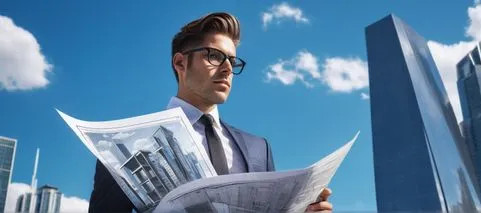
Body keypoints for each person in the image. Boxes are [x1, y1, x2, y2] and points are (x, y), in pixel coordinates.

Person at [88, 12, 333, 213]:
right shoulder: (123, 145)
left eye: (233, 61)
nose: (227, 68)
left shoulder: (260, 147)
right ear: (180, 63)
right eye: (215, 56)